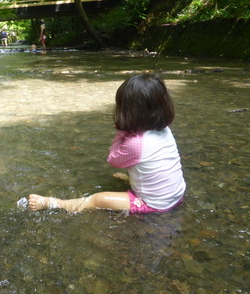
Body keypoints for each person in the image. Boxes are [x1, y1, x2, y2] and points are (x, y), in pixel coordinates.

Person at [27, 73, 186, 214]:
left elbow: (113, 159)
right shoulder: (164, 129)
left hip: (155, 204)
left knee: (99, 199)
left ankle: (55, 203)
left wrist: (121, 132)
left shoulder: (136, 144)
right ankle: (136, 183)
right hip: (176, 194)